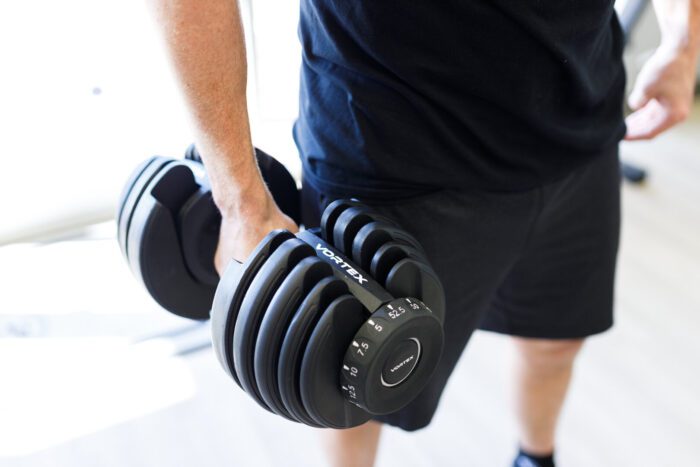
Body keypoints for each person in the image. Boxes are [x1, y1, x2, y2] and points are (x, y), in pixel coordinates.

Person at [147, 0, 699, 465]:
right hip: (390, 161)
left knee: (555, 342)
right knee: (351, 399)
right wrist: (241, 202)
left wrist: (683, 40)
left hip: (579, 123)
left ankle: (535, 457)